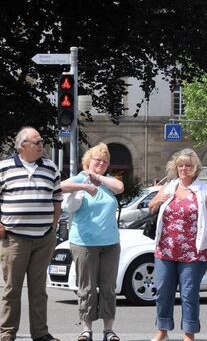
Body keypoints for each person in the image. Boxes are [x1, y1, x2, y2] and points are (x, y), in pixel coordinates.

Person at [0, 127, 62, 341]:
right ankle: (8, 332)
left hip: (44, 238)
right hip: (14, 238)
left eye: (41, 141)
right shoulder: (3, 167)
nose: (41, 145)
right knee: (12, 289)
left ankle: (41, 333)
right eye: (37, 142)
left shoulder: (50, 167)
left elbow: (57, 199)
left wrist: (53, 225)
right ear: (22, 146)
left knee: (39, 290)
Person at [147, 149, 207, 341]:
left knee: (189, 293)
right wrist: (157, 199)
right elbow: (151, 208)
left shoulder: (204, 190)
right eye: (180, 165)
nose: (183, 168)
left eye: (188, 165)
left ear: (195, 168)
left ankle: (189, 334)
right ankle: (162, 330)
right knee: (163, 290)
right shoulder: (170, 187)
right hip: (165, 249)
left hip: (194, 252)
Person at [60, 143, 124, 341]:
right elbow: (60, 186)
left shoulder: (109, 181)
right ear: (89, 161)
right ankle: (86, 329)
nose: (101, 164)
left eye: (105, 162)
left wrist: (98, 178)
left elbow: (120, 187)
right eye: (98, 160)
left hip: (110, 242)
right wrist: (85, 184)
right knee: (86, 288)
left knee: (108, 288)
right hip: (84, 243)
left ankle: (108, 330)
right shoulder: (80, 178)